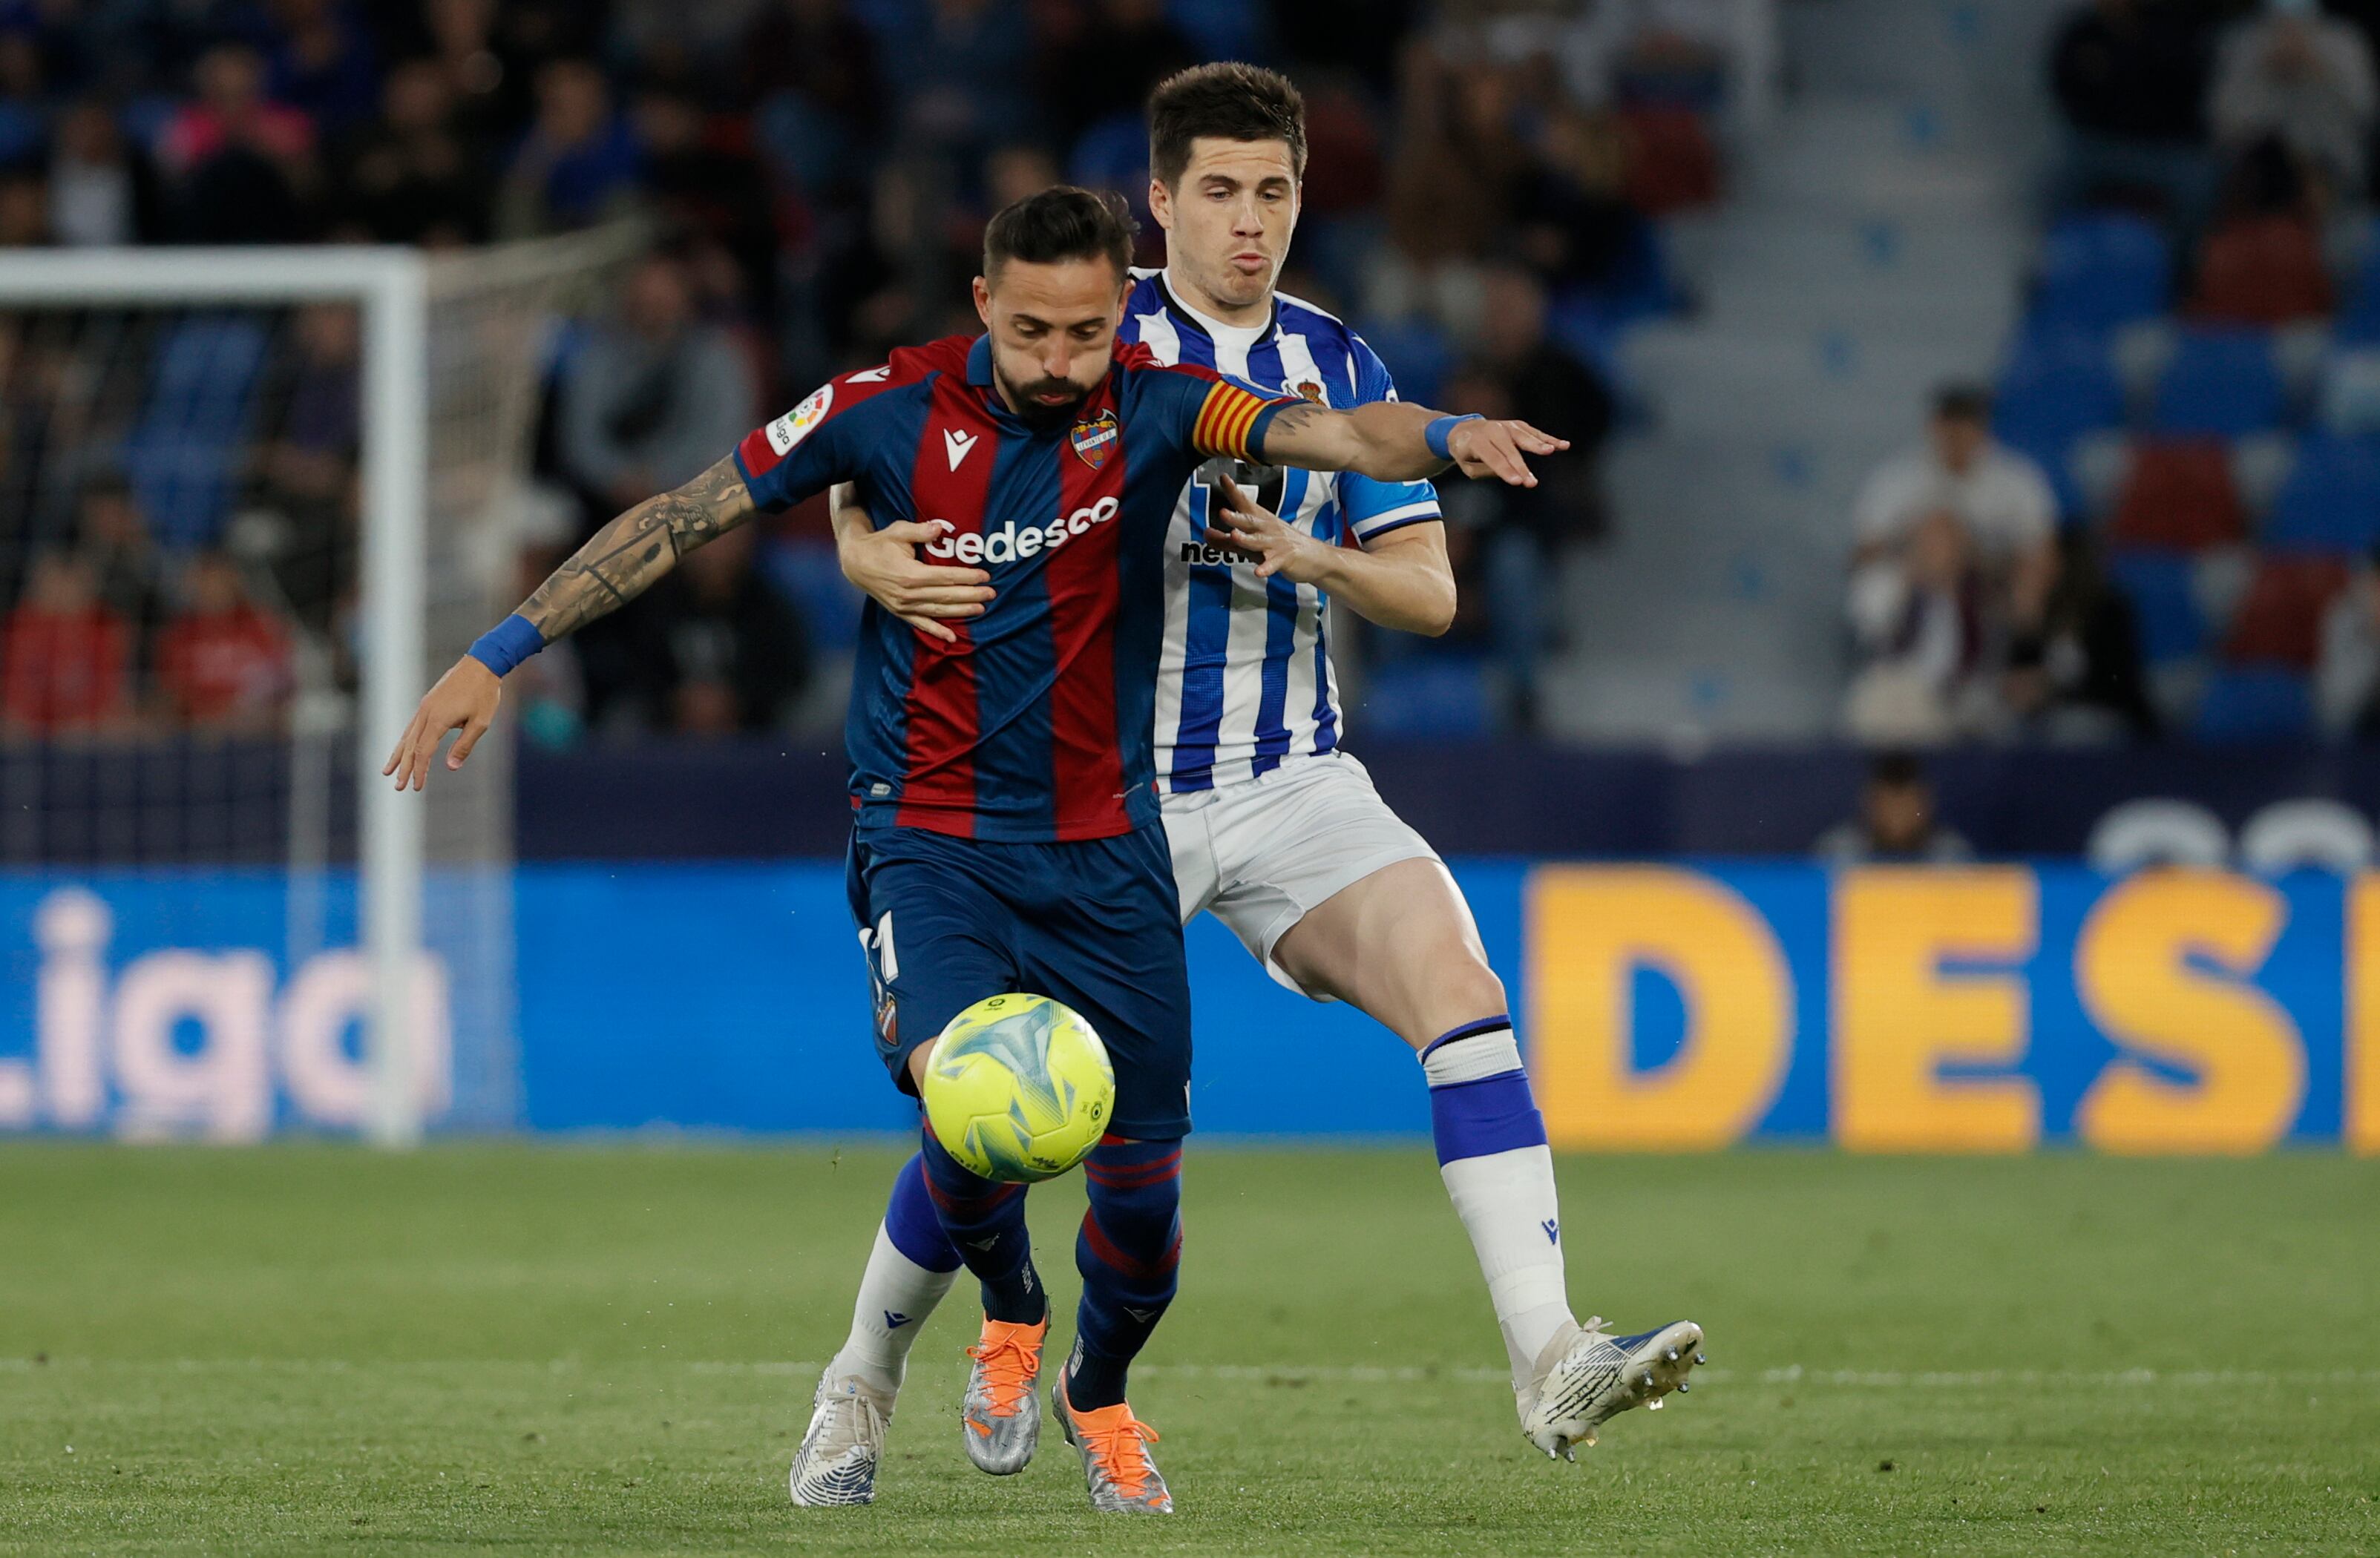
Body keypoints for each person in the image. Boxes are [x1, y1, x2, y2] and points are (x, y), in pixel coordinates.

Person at [383, 185, 1563, 1515]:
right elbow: (685, 512)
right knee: (978, 1104)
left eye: (1082, 332)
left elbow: (1340, 432)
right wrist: (499, 651)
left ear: (1117, 308)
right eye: (1031, 334)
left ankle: (1097, 1391)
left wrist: (1453, 433)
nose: (1059, 363)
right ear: (983, 308)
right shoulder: (882, 406)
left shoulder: (1162, 398)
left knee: (1142, 1207)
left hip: (1110, 846)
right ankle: (904, 1362)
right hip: (931, 836)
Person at [822, 64, 1702, 1501]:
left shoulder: (1336, 363)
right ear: (1158, 202)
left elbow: (1425, 596)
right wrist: (862, 550)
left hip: (1291, 777)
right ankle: (864, 1371)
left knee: (1460, 994)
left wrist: (1312, 557)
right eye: (1218, 192)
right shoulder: (1093, 335)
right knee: (995, 1117)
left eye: (1274, 192)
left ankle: (1550, 1356)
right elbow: (889, 436)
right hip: (1089, 799)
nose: (1248, 223)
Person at [1813, 751, 1974, 865]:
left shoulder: (1951, 856)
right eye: (1889, 803)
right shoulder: (1839, 853)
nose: (1898, 814)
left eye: (1906, 804)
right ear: (1870, 803)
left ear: (1926, 804)